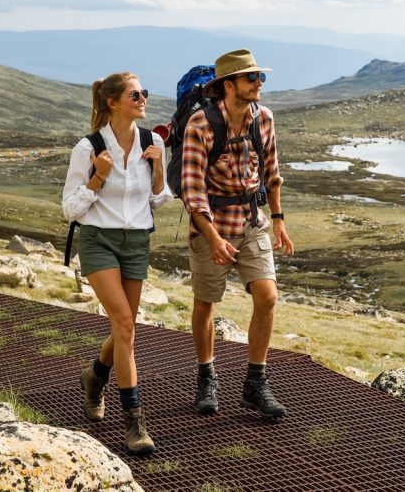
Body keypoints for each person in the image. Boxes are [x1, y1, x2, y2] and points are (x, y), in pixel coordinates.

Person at [62, 72, 172, 454]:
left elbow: (159, 200)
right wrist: (98, 178)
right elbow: (69, 209)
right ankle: (135, 422)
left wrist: (158, 169)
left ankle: (95, 375)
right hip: (99, 241)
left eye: (144, 92)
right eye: (135, 94)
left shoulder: (153, 141)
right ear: (112, 102)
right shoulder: (87, 147)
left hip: (137, 242)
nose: (143, 98)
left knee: (124, 328)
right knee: (125, 324)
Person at [182, 49, 295, 418]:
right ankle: (206, 377)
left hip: (251, 223)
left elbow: (272, 172)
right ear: (228, 85)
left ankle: (255, 384)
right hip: (212, 227)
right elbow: (193, 191)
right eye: (252, 78)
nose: (259, 83)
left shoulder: (264, 119)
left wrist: (277, 219)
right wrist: (212, 238)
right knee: (206, 303)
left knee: (267, 297)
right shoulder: (199, 124)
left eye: (261, 76)